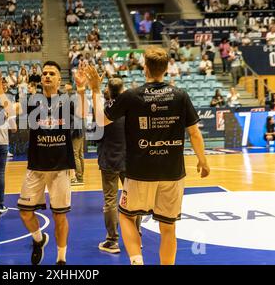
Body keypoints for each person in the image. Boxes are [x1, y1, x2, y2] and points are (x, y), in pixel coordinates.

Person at [86, 46, 210, 265]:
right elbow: (194, 133)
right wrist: (203, 160)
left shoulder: (131, 95)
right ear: (166, 69)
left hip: (139, 173)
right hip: (172, 173)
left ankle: (137, 261)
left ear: (145, 68)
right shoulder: (180, 95)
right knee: (168, 226)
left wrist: (95, 90)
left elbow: (100, 120)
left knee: (125, 215)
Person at [16, 61, 87, 265]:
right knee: (25, 212)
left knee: (59, 217)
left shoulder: (68, 101)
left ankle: (61, 259)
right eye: (44, 73)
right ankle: (39, 239)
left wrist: (81, 90)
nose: (47, 75)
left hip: (61, 167)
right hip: (36, 167)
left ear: (58, 79)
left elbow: (82, 114)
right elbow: (13, 109)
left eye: (51, 73)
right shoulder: (32, 101)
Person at [97, 78, 141, 254]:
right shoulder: (133, 109)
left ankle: (112, 241)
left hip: (109, 159)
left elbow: (95, 135)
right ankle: (136, 236)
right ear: (123, 90)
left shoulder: (104, 110)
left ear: (108, 90)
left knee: (110, 201)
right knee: (133, 201)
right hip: (129, 160)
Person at [0, 78, 19, 214]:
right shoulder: (8, 106)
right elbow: (14, 129)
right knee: (0, 174)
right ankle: (0, 204)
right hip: (2, 143)